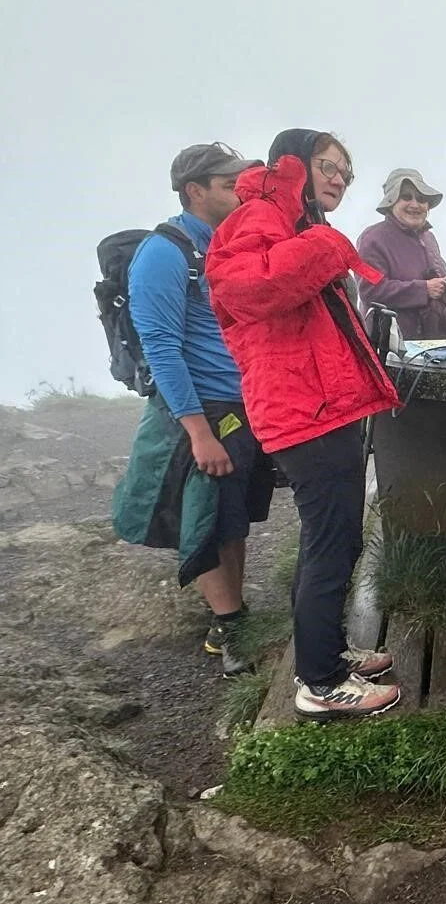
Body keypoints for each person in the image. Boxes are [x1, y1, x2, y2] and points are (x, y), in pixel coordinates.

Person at [207, 129, 402, 721]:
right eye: (327, 165)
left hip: (321, 405)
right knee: (328, 540)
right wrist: (324, 244)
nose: (339, 177)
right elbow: (248, 288)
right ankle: (319, 681)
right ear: (292, 165)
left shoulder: (292, 220)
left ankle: (329, 653)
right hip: (303, 411)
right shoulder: (261, 215)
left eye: (346, 169)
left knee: (338, 537)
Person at [115, 142, 270, 678]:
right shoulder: (165, 252)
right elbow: (161, 345)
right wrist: (198, 431)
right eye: (229, 184)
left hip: (242, 403)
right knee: (205, 519)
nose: (240, 191)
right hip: (203, 408)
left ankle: (232, 613)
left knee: (233, 517)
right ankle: (230, 630)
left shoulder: (229, 245)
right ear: (194, 191)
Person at [355, 168, 446, 340]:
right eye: (406, 197)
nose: (415, 204)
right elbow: (369, 290)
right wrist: (424, 289)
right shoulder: (372, 239)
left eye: (421, 199)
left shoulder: (429, 238)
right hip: (388, 350)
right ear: (391, 202)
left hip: (432, 347)